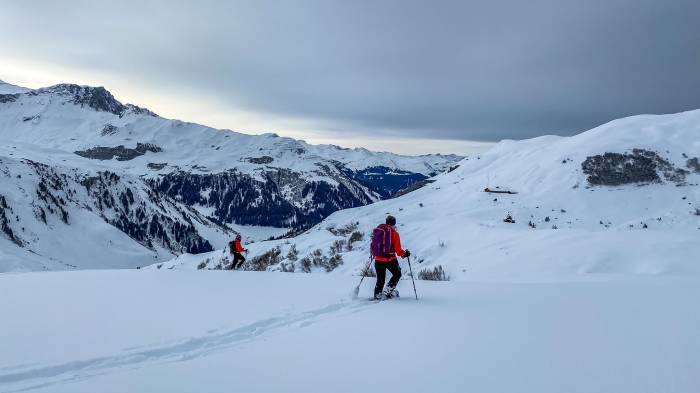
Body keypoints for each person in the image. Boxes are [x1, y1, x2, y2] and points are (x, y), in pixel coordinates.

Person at [371, 215, 410, 299]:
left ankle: (377, 295)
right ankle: (387, 291)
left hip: (378, 259)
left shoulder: (379, 230)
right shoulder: (394, 234)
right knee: (397, 274)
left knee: (380, 279)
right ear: (394, 223)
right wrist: (405, 254)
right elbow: (398, 250)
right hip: (390, 259)